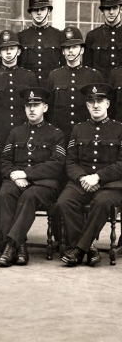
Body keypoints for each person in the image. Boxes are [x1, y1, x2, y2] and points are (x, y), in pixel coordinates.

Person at [0, 30, 38, 247]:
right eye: (4, 50)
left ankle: (17, 236)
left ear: (19, 51)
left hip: (23, 141)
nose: (8, 53)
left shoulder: (29, 77)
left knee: (18, 188)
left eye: (12, 49)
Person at [0, 88, 65, 267]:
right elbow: (4, 160)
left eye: (36, 105)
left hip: (44, 185)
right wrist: (13, 174)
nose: (32, 109)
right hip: (16, 180)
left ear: (45, 107)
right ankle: (20, 248)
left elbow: (56, 164)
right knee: (5, 193)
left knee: (29, 196)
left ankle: (10, 245)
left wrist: (26, 174)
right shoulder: (16, 132)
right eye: (28, 105)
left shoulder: (56, 133)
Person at [57, 83, 122, 267]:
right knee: (64, 201)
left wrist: (98, 177)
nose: (96, 105)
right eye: (91, 102)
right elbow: (70, 161)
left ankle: (78, 249)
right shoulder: (78, 129)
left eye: (100, 101)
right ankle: (89, 248)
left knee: (101, 203)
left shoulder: (119, 129)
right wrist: (82, 178)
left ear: (108, 104)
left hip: (111, 183)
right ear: (87, 106)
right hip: (82, 181)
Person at [47, 26, 104, 145]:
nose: (70, 51)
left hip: (86, 136)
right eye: (67, 48)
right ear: (62, 51)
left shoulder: (94, 76)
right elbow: (49, 109)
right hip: (60, 136)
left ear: (82, 50)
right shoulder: (54, 76)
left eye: (74, 47)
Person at [17, 0, 63, 88]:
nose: (38, 13)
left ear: (49, 11)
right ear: (30, 13)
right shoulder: (21, 37)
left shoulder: (59, 35)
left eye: (42, 9)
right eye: (35, 9)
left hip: (51, 87)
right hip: (27, 87)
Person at [84, 0, 122, 82]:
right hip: (101, 89)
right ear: (102, 10)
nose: (111, 12)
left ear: (120, 9)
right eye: (107, 8)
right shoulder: (92, 36)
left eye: (114, 8)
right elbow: (87, 70)